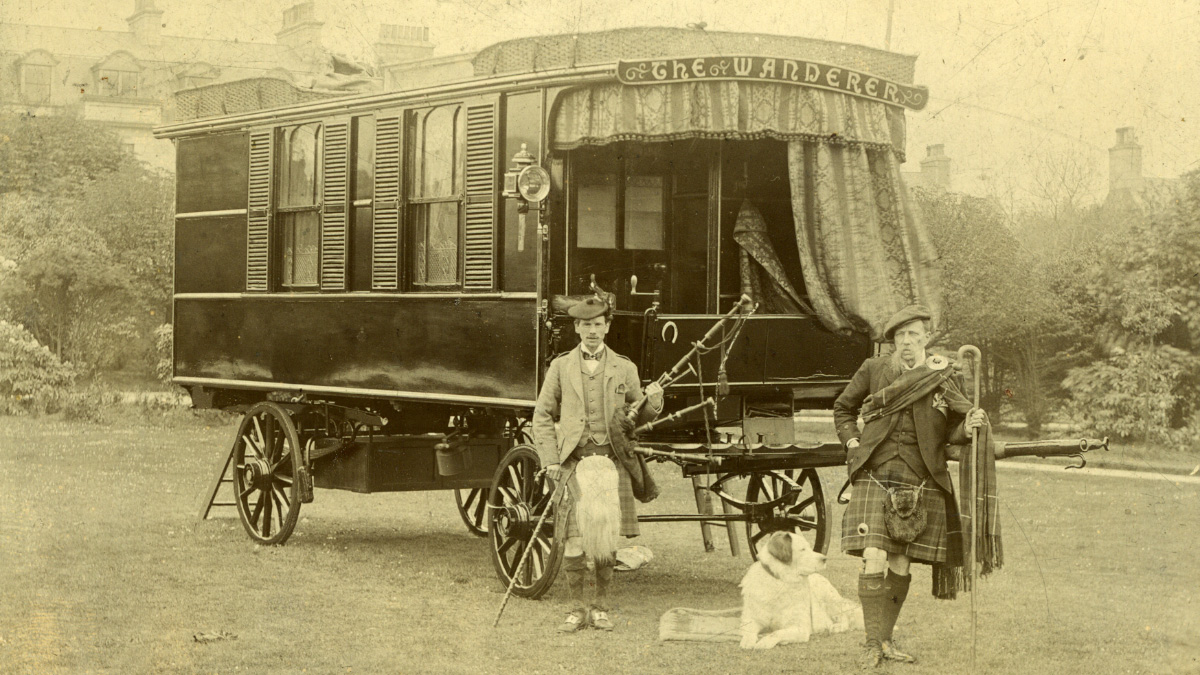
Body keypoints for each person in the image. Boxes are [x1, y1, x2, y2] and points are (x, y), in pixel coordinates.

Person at [833, 304, 987, 667]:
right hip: (874, 471)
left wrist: (967, 428)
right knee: (874, 554)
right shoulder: (874, 369)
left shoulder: (943, 375)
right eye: (899, 336)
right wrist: (852, 442)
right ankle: (872, 644)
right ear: (892, 342)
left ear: (925, 338)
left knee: (901, 561)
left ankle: (885, 641)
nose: (906, 342)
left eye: (913, 335)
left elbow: (952, 429)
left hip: (920, 476)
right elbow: (843, 408)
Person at [532, 295, 663, 634]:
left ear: (608, 327)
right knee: (574, 543)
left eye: (598, 324)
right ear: (576, 328)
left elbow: (640, 413)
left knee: (606, 542)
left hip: (612, 465)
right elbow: (542, 415)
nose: (592, 331)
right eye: (586, 325)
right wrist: (550, 460)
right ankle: (576, 610)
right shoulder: (560, 367)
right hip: (574, 465)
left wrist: (655, 400)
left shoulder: (624, 367)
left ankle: (601, 609)